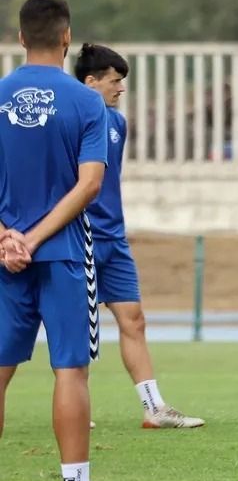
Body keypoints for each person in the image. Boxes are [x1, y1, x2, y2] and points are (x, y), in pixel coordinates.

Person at [0, 0, 129, 481]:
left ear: (20, 36)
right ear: (66, 37)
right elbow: (90, 184)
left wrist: (9, 236)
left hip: (4, 257)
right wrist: (34, 239)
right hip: (66, 254)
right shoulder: (86, 103)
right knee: (70, 370)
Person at [73, 44, 204, 429]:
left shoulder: (117, 123)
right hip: (80, 236)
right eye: (115, 81)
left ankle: (154, 407)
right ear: (90, 81)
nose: (121, 89)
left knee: (134, 318)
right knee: (76, 324)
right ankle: (76, 408)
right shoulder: (69, 118)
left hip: (114, 237)